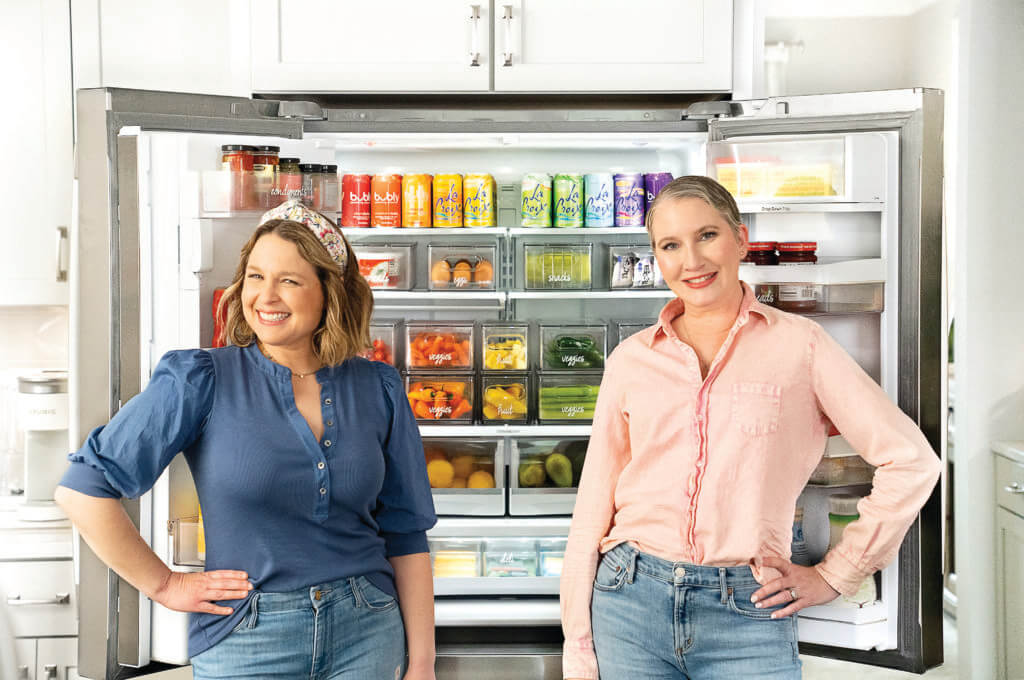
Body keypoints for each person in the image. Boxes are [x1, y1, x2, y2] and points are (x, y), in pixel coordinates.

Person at [560, 176, 941, 679]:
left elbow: (912, 461)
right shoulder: (631, 360)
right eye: (670, 245)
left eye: (707, 236)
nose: (691, 261)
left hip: (748, 607)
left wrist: (836, 575)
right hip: (628, 596)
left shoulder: (801, 347)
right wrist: (577, 645)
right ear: (657, 257)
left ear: (740, 238)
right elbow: (593, 505)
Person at [55, 200, 438, 679]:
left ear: (331, 293)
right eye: (256, 277)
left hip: (369, 631)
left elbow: (405, 533)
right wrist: (166, 585)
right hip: (249, 637)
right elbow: (82, 489)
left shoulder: (377, 387)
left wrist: (422, 663)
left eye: (290, 280)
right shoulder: (201, 379)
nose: (266, 296)